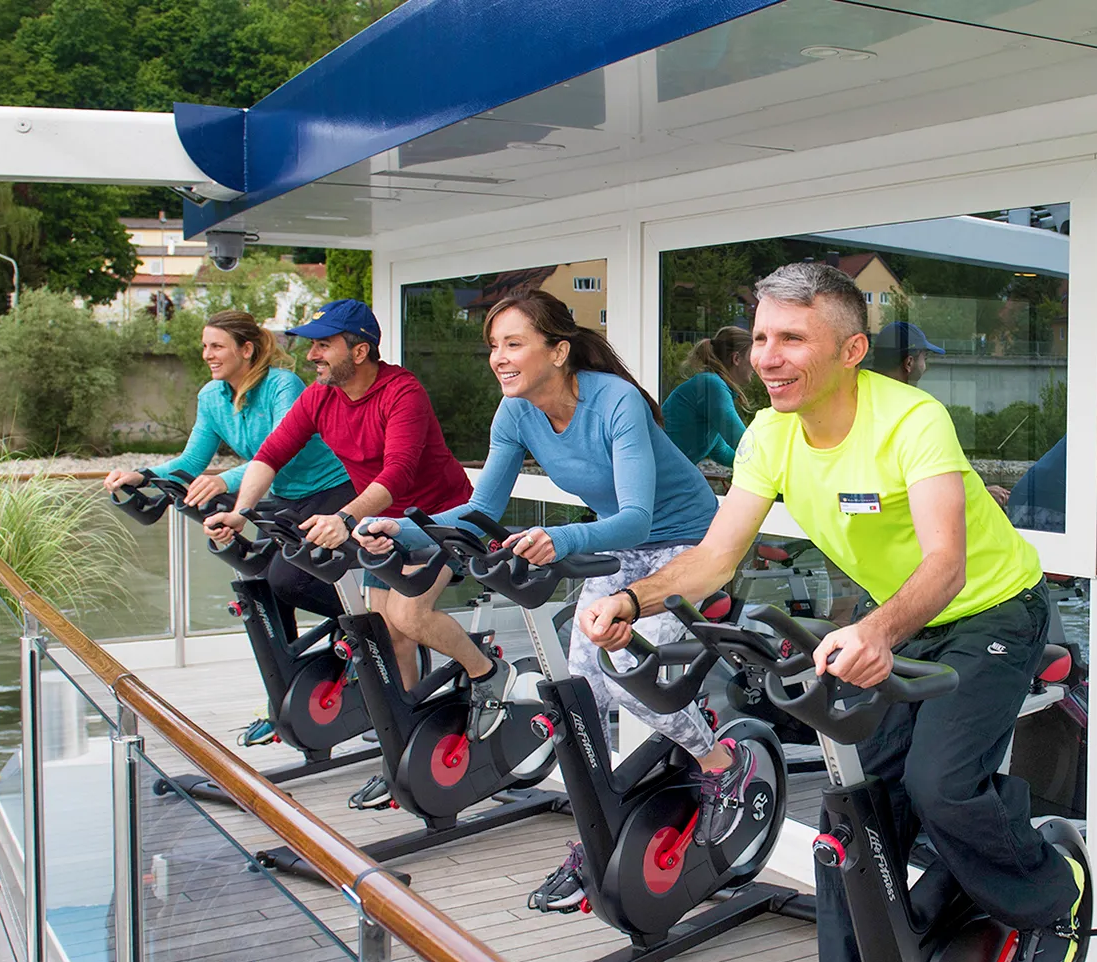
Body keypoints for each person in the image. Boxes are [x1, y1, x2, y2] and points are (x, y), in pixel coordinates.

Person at [578, 263, 1081, 962]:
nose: (767, 357)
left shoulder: (911, 418)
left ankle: (1048, 900)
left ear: (850, 350)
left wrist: (878, 629)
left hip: (992, 611)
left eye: (791, 338)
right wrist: (634, 599)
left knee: (940, 786)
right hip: (897, 617)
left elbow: (947, 563)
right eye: (761, 337)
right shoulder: (768, 434)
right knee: (851, 815)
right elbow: (713, 558)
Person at [356, 290, 753, 909]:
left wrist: (560, 538)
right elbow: (481, 511)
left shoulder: (615, 401)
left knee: (629, 685)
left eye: (513, 344)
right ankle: (603, 829)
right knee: (582, 692)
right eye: (494, 346)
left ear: (559, 351)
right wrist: (403, 530)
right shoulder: (515, 413)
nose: (499, 357)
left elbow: (635, 515)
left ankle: (723, 763)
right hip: (622, 549)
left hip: (687, 546)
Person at [203, 299, 509, 733]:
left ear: (359, 351)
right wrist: (240, 513)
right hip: (381, 527)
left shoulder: (402, 392)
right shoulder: (320, 397)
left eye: (323, 345)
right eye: (312, 345)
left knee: (409, 617)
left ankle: (486, 672)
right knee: (386, 633)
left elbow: (397, 474)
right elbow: (270, 455)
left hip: (438, 521)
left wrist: (344, 518)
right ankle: (406, 728)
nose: (312, 355)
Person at [105, 310, 355, 647]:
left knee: (288, 582)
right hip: (284, 498)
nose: (207, 354)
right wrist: (141, 477)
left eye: (217, 346)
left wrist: (225, 481)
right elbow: (192, 461)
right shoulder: (211, 397)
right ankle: (289, 671)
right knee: (262, 587)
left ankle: (374, 624)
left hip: (332, 490)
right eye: (205, 346)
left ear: (246, 349)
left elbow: (282, 452)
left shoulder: (282, 385)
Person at [661, 326, 752, 466]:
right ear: (736, 358)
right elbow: (744, 444)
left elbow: (721, 451)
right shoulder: (711, 386)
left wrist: (752, 467)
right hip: (661, 469)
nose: (756, 364)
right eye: (752, 356)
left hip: (665, 467)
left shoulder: (711, 385)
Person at [869, 320, 942, 387]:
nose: (926, 368)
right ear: (909, 363)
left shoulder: (863, 388)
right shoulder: (913, 397)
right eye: (925, 358)